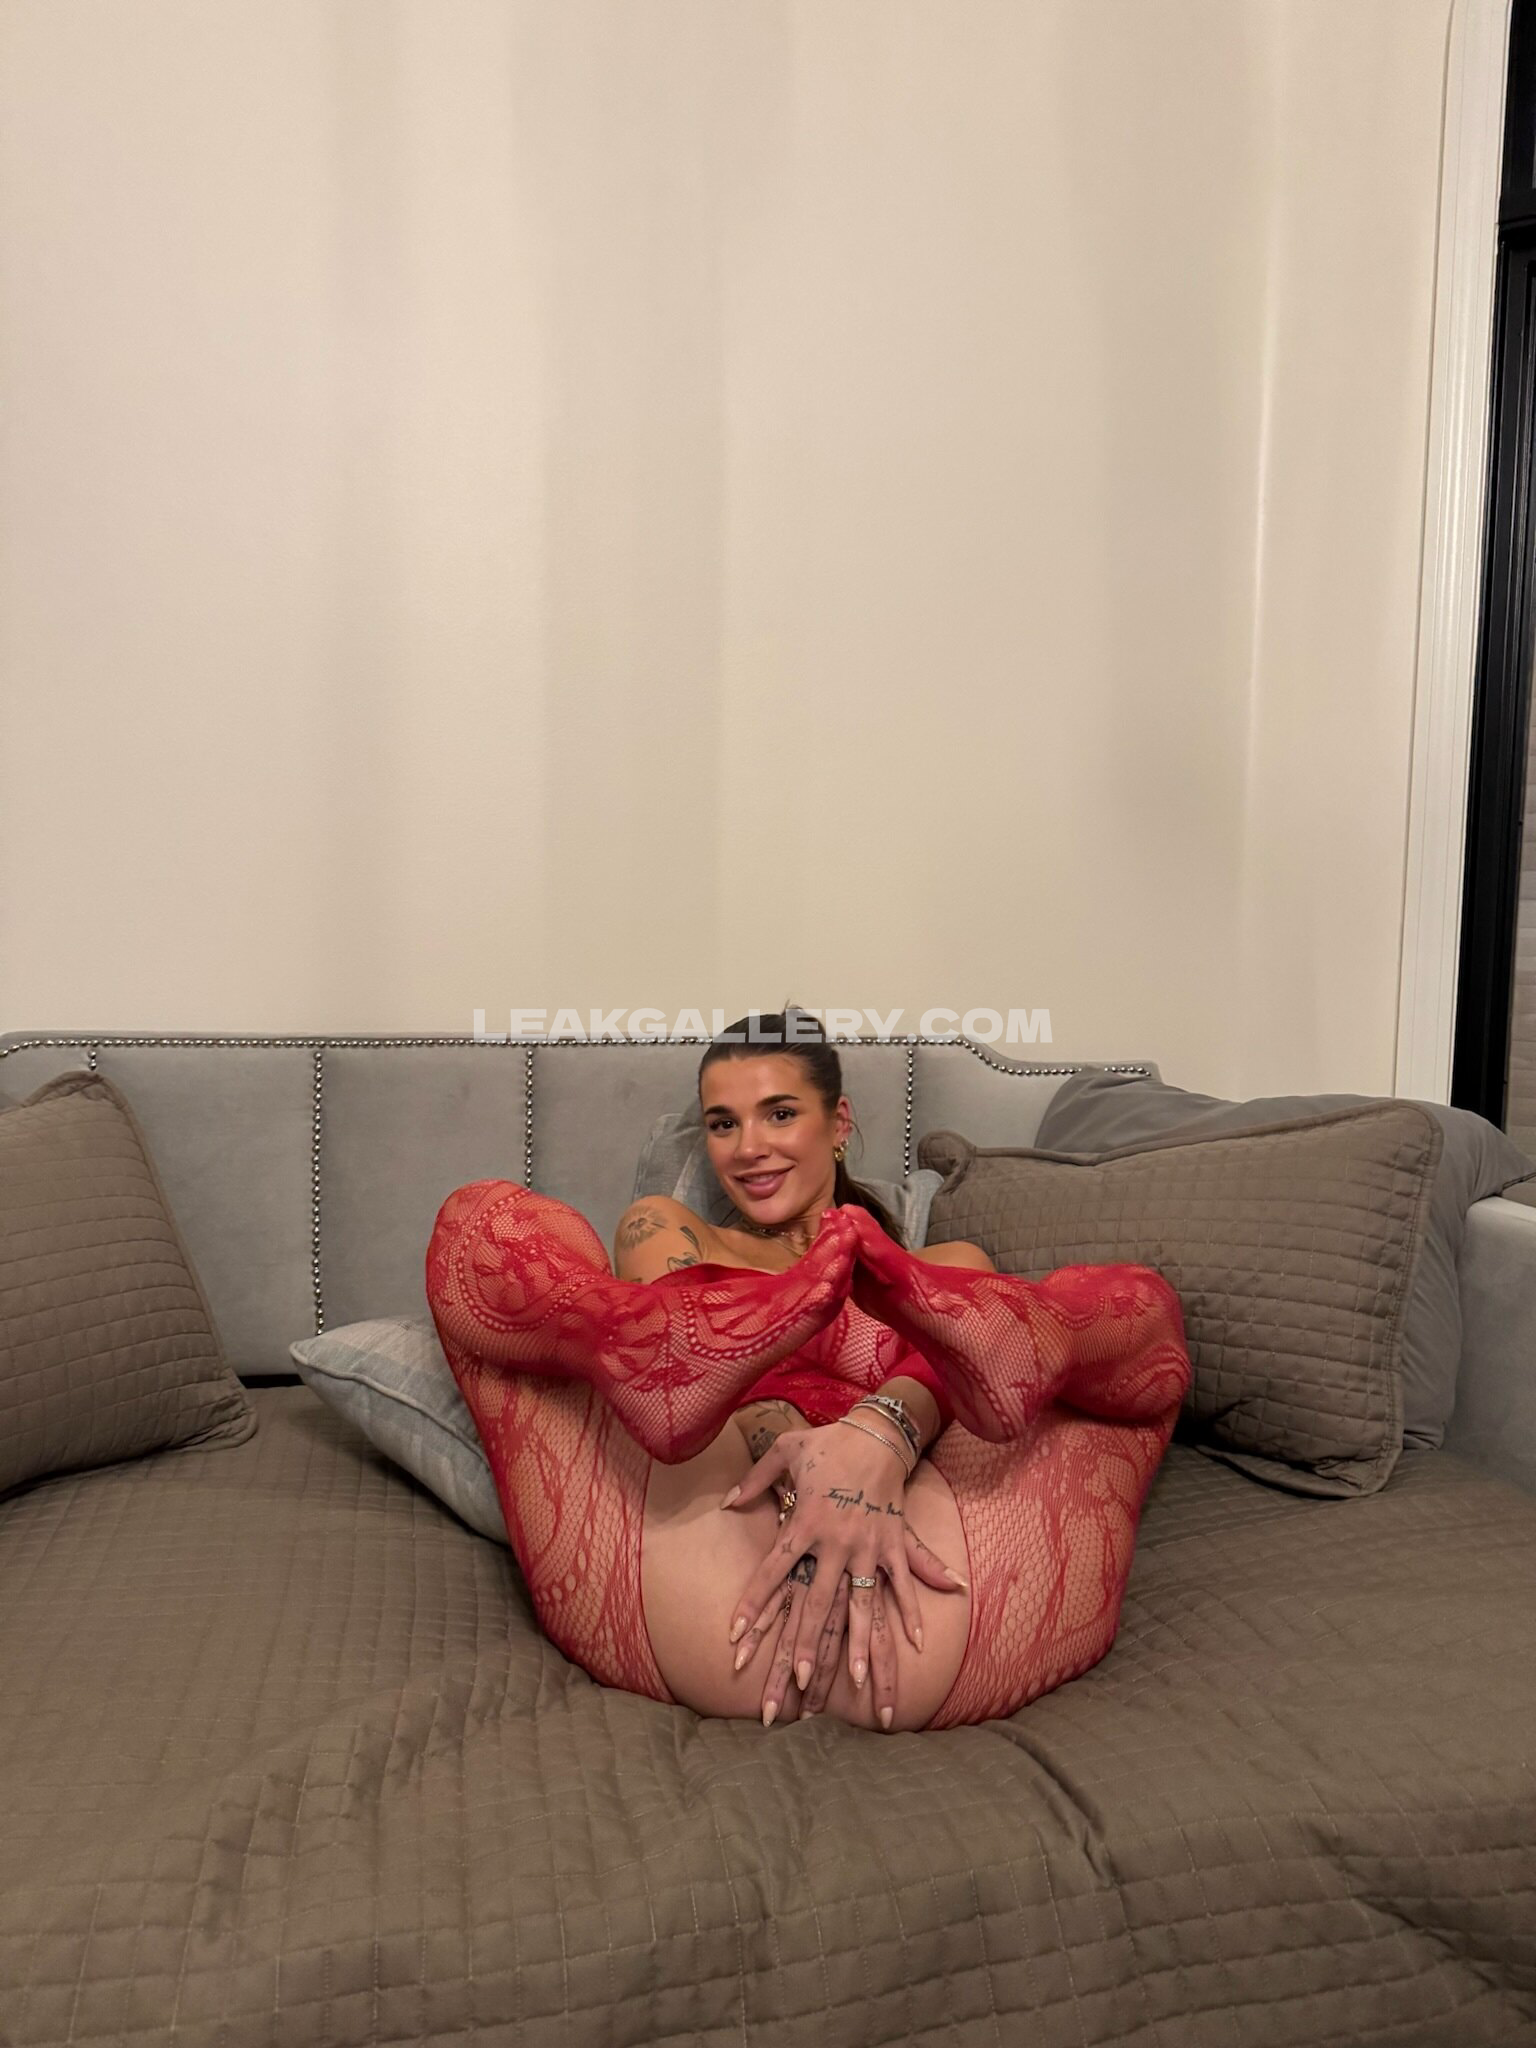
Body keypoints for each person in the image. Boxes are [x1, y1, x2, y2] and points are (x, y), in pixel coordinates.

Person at [425, 1009, 1191, 1733]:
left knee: (1138, 1308)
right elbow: (684, 1400)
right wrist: (786, 1433)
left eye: (780, 1113)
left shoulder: (944, 1270)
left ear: (840, 1123)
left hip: (924, 1567)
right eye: (723, 1124)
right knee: (482, 1221)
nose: (748, 1147)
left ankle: (1001, 1356)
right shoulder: (668, 1229)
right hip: (716, 1547)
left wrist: (874, 1441)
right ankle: (687, 1339)